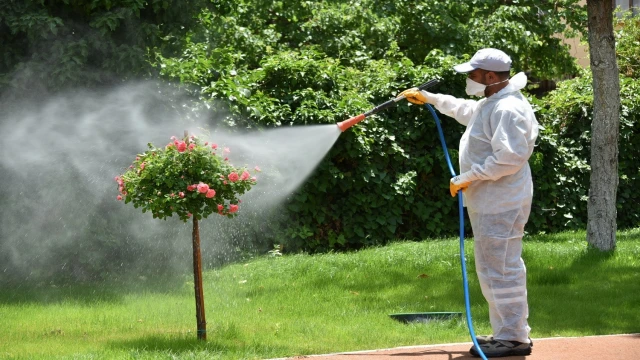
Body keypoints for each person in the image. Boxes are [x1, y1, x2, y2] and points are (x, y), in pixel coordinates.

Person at [400, 48, 538, 358]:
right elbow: (467, 112)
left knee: (500, 269)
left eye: (473, 74)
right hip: (492, 201)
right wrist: (432, 98)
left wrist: (468, 177)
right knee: (495, 268)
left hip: (501, 201)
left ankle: (514, 338)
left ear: (490, 77)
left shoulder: (508, 109)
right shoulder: (493, 102)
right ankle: (509, 334)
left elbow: (510, 158)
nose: (469, 79)